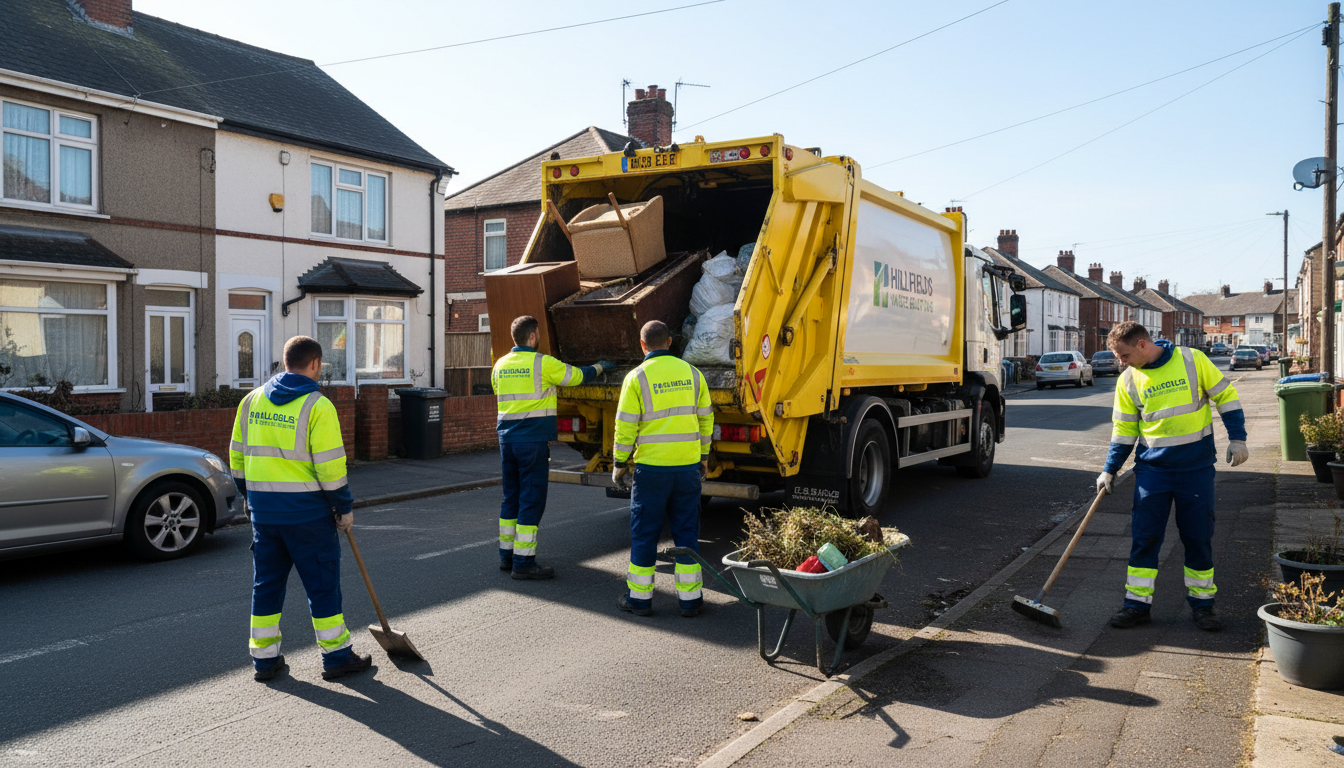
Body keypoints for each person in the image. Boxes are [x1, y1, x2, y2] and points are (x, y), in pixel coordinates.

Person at [230, 336, 371, 682]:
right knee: (322, 586)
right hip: (308, 515)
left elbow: (236, 458)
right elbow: (330, 468)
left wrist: (250, 499)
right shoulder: (317, 406)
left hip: (264, 515)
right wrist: (343, 507)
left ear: (284, 362)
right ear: (316, 364)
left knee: (266, 585)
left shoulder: (251, 400)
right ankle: (336, 656)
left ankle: (264, 661)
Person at [1097, 322, 1247, 632]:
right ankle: (1136, 605)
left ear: (1142, 345)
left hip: (1196, 468)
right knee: (1145, 538)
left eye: (1124, 355)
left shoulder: (1192, 360)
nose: (1121, 362)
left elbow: (1226, 396)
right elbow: (1124, 430)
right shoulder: (1128, 381)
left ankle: (1203, 605)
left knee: (1197, 537)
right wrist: (1109, 469)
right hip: (1153, 471)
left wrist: (1238, 438)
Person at [492, 316, 613, 579]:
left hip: (507, 442)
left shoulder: (500, 364)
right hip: (532, 442)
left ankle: (507, 556)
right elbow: (577, 376)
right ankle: (523, 564)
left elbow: (498, 392)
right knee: (531, 500)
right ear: (533, 336)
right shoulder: (542, 363)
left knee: (511, 496)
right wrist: (601, 367)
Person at [611, 320, 714, 618]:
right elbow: (706, 419)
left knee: (645, 534)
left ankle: (640, 601)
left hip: (651, 471)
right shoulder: (693, 374)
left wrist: (619, 463)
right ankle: (691, 601)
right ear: (670, 342)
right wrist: (703, 457)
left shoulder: (636, 377)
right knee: (686, 534)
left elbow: (625, 426)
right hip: (687, 470)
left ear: (642, 346)